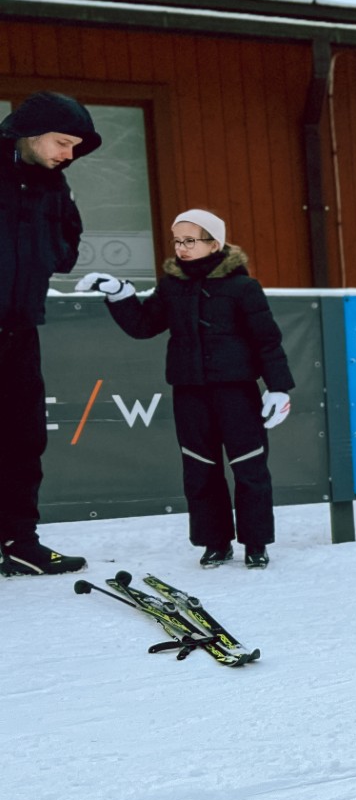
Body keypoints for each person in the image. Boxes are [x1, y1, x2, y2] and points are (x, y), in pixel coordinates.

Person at [80, 209, 295, 569]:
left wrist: (278, 388)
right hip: (189, 392)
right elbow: (144, 325)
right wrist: (119, 293)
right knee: (200, 469)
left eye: (190, 240)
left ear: (215, 242)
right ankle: (215, 543)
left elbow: (267, 341)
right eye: (178, 240)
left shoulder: (243, 288)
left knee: (249, 467)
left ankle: (255, 543)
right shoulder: (171, 286)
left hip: (236, 392)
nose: (181, 247)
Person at [0, 92, 100, 577]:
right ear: (30, 132)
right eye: (63, 143)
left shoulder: (55, 189)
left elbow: (65, 255)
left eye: (75, 147)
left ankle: (19, 542)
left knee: (22, 437)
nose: (69, 154)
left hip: (20, 328)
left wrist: (55, 239)